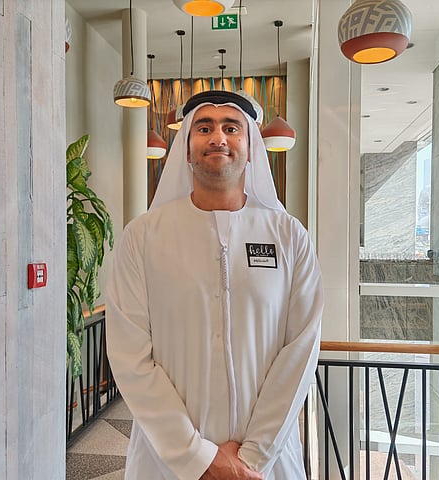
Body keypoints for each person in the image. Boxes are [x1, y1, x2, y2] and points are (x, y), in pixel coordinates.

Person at [106, 90, 324, 480]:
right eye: (204, 128)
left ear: (251, 147)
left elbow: (301, 348)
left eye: (231, 128)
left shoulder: (289, 236)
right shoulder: (142, 237)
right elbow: (130, 355)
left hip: (267, 463)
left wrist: (252, 456)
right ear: (187, 150)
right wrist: (198, 458)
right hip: (167, 462)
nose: (218, 137)